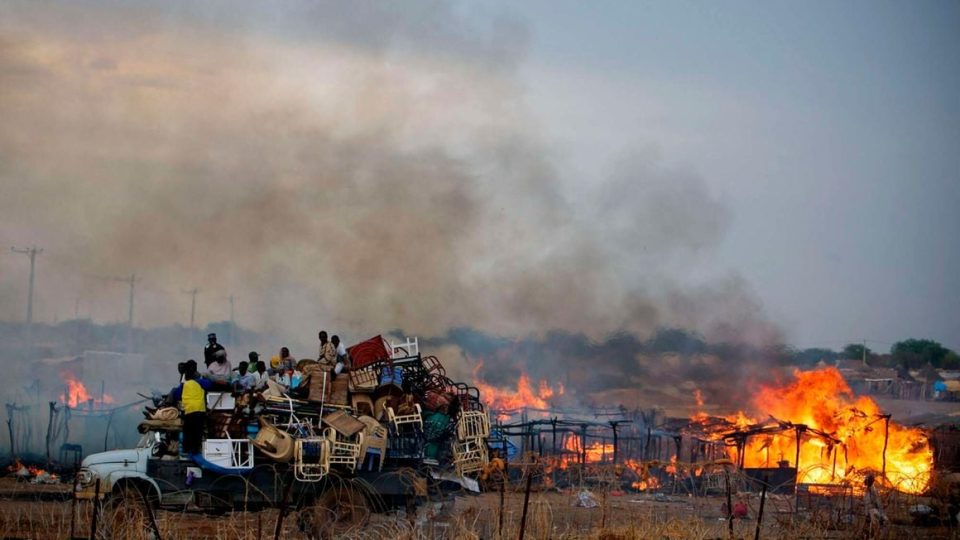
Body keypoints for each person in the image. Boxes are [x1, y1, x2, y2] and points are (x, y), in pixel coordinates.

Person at [180, 362, 207, 455]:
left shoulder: (184, 384)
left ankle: (186, 450)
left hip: (188, 410)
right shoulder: (201, 382)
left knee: (188, 431)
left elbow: (176, 394)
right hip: (199, 410)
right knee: (197, 432)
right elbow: (210, 385)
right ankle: (196, 450)